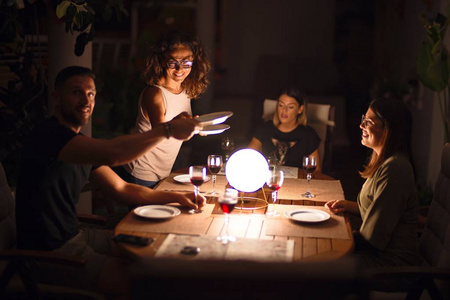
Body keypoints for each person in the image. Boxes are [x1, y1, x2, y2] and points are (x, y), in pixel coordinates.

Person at [15, 66, 206, 295]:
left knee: (158, 251)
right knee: (143, 283)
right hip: (48, 252)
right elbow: (115, 153)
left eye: (91, 94)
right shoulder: (49, 136)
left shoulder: (79, 143)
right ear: (56, 97)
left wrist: (176, 197)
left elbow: (121, 187)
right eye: (76, 92)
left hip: (76, 234)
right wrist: (168, 129)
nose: (86, 101)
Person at [325, 98, 422, 289]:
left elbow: (373, 239)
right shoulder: (385, 162)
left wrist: (335, 240)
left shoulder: (395, 169)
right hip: (379, 257)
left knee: (317, 268)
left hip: (391, 267)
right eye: (363, 119)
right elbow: (378, 209)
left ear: (388, 129)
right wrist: (348, 205)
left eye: (368, 122)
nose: (361, 125)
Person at [114, 30, 211, 188]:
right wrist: (182, 124)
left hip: (163, 171)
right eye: (173, 62)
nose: (180, 69)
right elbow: (159, 131)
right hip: (142, 170)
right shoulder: (155, 93)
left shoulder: (185, 89)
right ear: (162, 60)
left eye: (187, 63)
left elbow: (179, 130)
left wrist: (197, 126)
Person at [247, 86, 321, 170]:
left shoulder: (309, 135)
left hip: (297, 182)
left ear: (300, 109)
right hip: (269, 180)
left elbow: (316, 172)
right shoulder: (265, 129)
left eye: (290, 107)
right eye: (281, 105)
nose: (284, 110)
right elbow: (248, 158)